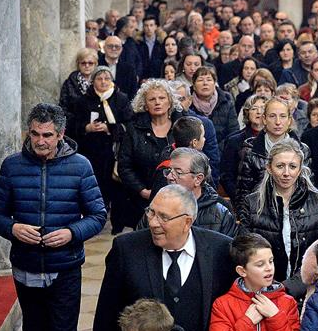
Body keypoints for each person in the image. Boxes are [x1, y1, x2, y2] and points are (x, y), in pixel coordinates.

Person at [0, 103, 106, 331]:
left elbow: (97, 214)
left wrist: (71, 233)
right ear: (27, 132)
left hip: (64, 268)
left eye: (48, 135)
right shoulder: (13, 165)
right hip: (26, 268)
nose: (41, 141)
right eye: (35, 134)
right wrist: (14, 228)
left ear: (61, 135)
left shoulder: (80, 165)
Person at [92, 185, 233, 331]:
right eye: (151, 212)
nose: (153, 222)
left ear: (188, 221)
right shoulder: (126, 249)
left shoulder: (221, 249)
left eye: (164, 217)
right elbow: (106, 318)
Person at [239, 140, 318, 298]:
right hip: (262, 292)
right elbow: (245, 250)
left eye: (293, 166)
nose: (286, 173)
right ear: (269, 168)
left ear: (300, 169)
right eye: (280, 166)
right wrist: (271, 289)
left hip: (310, 291)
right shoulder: (252, 203)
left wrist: (290, 287)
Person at [208, 234, 300, 331]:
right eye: (260, 264)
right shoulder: (223, 304)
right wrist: (247, 321)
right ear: (242, 271)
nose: (269, 268)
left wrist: (275, 317)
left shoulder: (287, 302)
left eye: (271, 261)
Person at [117, 79, 186, 227]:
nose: (157, 102)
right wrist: (142, 190)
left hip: (178, 198)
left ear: (170, 102)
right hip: (142, 201)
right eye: (152, 99)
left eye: (162, 98)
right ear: (145, 105)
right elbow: (125, 166)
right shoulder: (133, 130)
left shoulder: (181, 127)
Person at [74, 66, 134, 233]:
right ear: (93, 81)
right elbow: (74, 125)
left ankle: (117, 225)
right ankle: (92, 222)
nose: (103, 82)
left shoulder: (121, 99)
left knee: (116, 189)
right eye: (99, 79)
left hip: (114, 152)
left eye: (107, 79)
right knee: (93, 189)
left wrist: (110, 129)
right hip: (91, 152)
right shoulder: (83, 100)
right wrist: (87, 128)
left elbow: (129, 124)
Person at [138, 147, 237, 237]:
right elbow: (138, 244)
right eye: (169, 170)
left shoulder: (221, 214)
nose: (169, 177)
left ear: (198, 179)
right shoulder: (155, 207)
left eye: (178, 172)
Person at [235, 97, 309, 210]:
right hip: (259, 213)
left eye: (283, 116)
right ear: (264, 119)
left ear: (289, 120)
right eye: (272, 116)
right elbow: (243, 192)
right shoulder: (250, 150)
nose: (278, 122)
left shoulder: (302, 150)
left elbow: (307, 188)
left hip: (295, 213)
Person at [220, 95, 267, 197]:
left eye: (263, 108)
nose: (259, 112)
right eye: (254, 108)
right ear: (247, 112)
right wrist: (239, 198)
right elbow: (226, 176)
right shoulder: (234, 140)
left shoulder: (274, 139)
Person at [190, 66, 239, 150]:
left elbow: (233, 132)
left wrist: (216, 150)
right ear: (194, 86)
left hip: (223, 152)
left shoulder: (226, 101)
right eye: (200, 80)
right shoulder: (188, 103)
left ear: (214, 84)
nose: (205, 83)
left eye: (209, 80)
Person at [60, 48, 99, 137]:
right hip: (75, 130)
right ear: (78, 64)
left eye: (90, 63)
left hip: (97, 130)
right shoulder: (69, 83)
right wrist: (82, 125)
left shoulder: (101, 82)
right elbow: (63, 108)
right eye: (83, 63)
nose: (87, 66)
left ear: (95, 64)